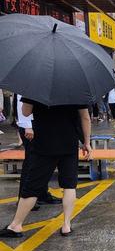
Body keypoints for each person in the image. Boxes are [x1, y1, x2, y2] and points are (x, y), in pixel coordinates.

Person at [1, 97, 92, 238]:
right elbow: (85, 118)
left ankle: (16, 225)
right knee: (69, 185)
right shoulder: (75, 88)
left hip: (44, 144)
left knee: (33, 185)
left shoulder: (37, 86)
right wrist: (87, 142)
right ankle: (66, 225)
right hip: (69, 143)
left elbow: (25, 112)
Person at [14, 93, 62, 211]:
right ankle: (23, 197)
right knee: (31, 162)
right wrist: (27, 125)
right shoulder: (26, 78)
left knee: (41, 161)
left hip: (38, 125)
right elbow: (22, 101)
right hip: (29, 127)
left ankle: (41, 194)